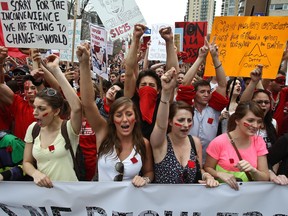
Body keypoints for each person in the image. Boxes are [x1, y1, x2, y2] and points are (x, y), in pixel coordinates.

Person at [78, 45, 154, 187]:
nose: (124, 119)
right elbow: (88, 104)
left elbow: (149, 172)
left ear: (135, 118)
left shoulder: (143, 144)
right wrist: (84, 64)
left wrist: (145, 179)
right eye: (119, 115)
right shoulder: (104, 135)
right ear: (112, 118)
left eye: (129, 114)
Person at [150, 67, 218, 187]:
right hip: (163, 203)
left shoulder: (195, 142)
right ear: (170, 122)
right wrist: (166, 93)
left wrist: (206, 175)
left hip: (190, 203)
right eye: (180, 120)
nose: (186, 125)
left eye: (189, 120)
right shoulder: (160, 142)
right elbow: (160, 125)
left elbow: (199, 169)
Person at [23, 54, 82, 188]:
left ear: (56, 111)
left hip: (70, 195)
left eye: (41, 108)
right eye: (35, 107)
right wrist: (35, 173)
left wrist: (55, 69)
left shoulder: (68, 129)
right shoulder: (33, 129)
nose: (34, 112)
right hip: (46, 198)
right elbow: (26, 162)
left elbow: (77, 108)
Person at [176, 38, 229, 163]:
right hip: (185, 159)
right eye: (202, 92)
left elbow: (222, 84)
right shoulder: (186, 108)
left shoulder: (214, 109)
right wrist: (200, 58)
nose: (206, 94)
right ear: (194, 94)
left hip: (209, 161)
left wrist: (215, 57)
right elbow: (185, 83)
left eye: (208, 91)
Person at [124, 24, 179, 140]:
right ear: (137, 89)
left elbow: (173, 73)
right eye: (143, 85)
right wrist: (136, 38)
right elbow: (129, 71)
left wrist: (169, 41)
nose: (147, 88)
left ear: (159, 90)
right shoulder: (131, 99)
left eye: (151, 85)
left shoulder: (163, 102)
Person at [204, 101, 270, 191]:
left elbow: (265, 177)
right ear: (237, 120)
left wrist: (253, 170)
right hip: (222, 196)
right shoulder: (219, 142)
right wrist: (218, 174)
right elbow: (207, 168)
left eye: (259, 121)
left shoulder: (259, 141)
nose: (255, 125)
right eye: (250, 120)